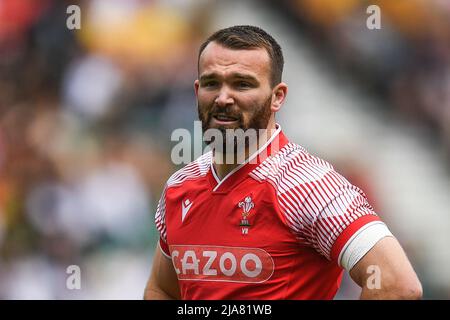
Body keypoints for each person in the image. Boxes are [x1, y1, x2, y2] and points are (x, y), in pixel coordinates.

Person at [144, 25, 422, 300]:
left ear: (277, 97)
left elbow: (397, 284)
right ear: (196, 90)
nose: (223, 98)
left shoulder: (309, 185)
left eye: (242, 84)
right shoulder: (179, 187)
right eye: (211, 83)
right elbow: (162, 289)